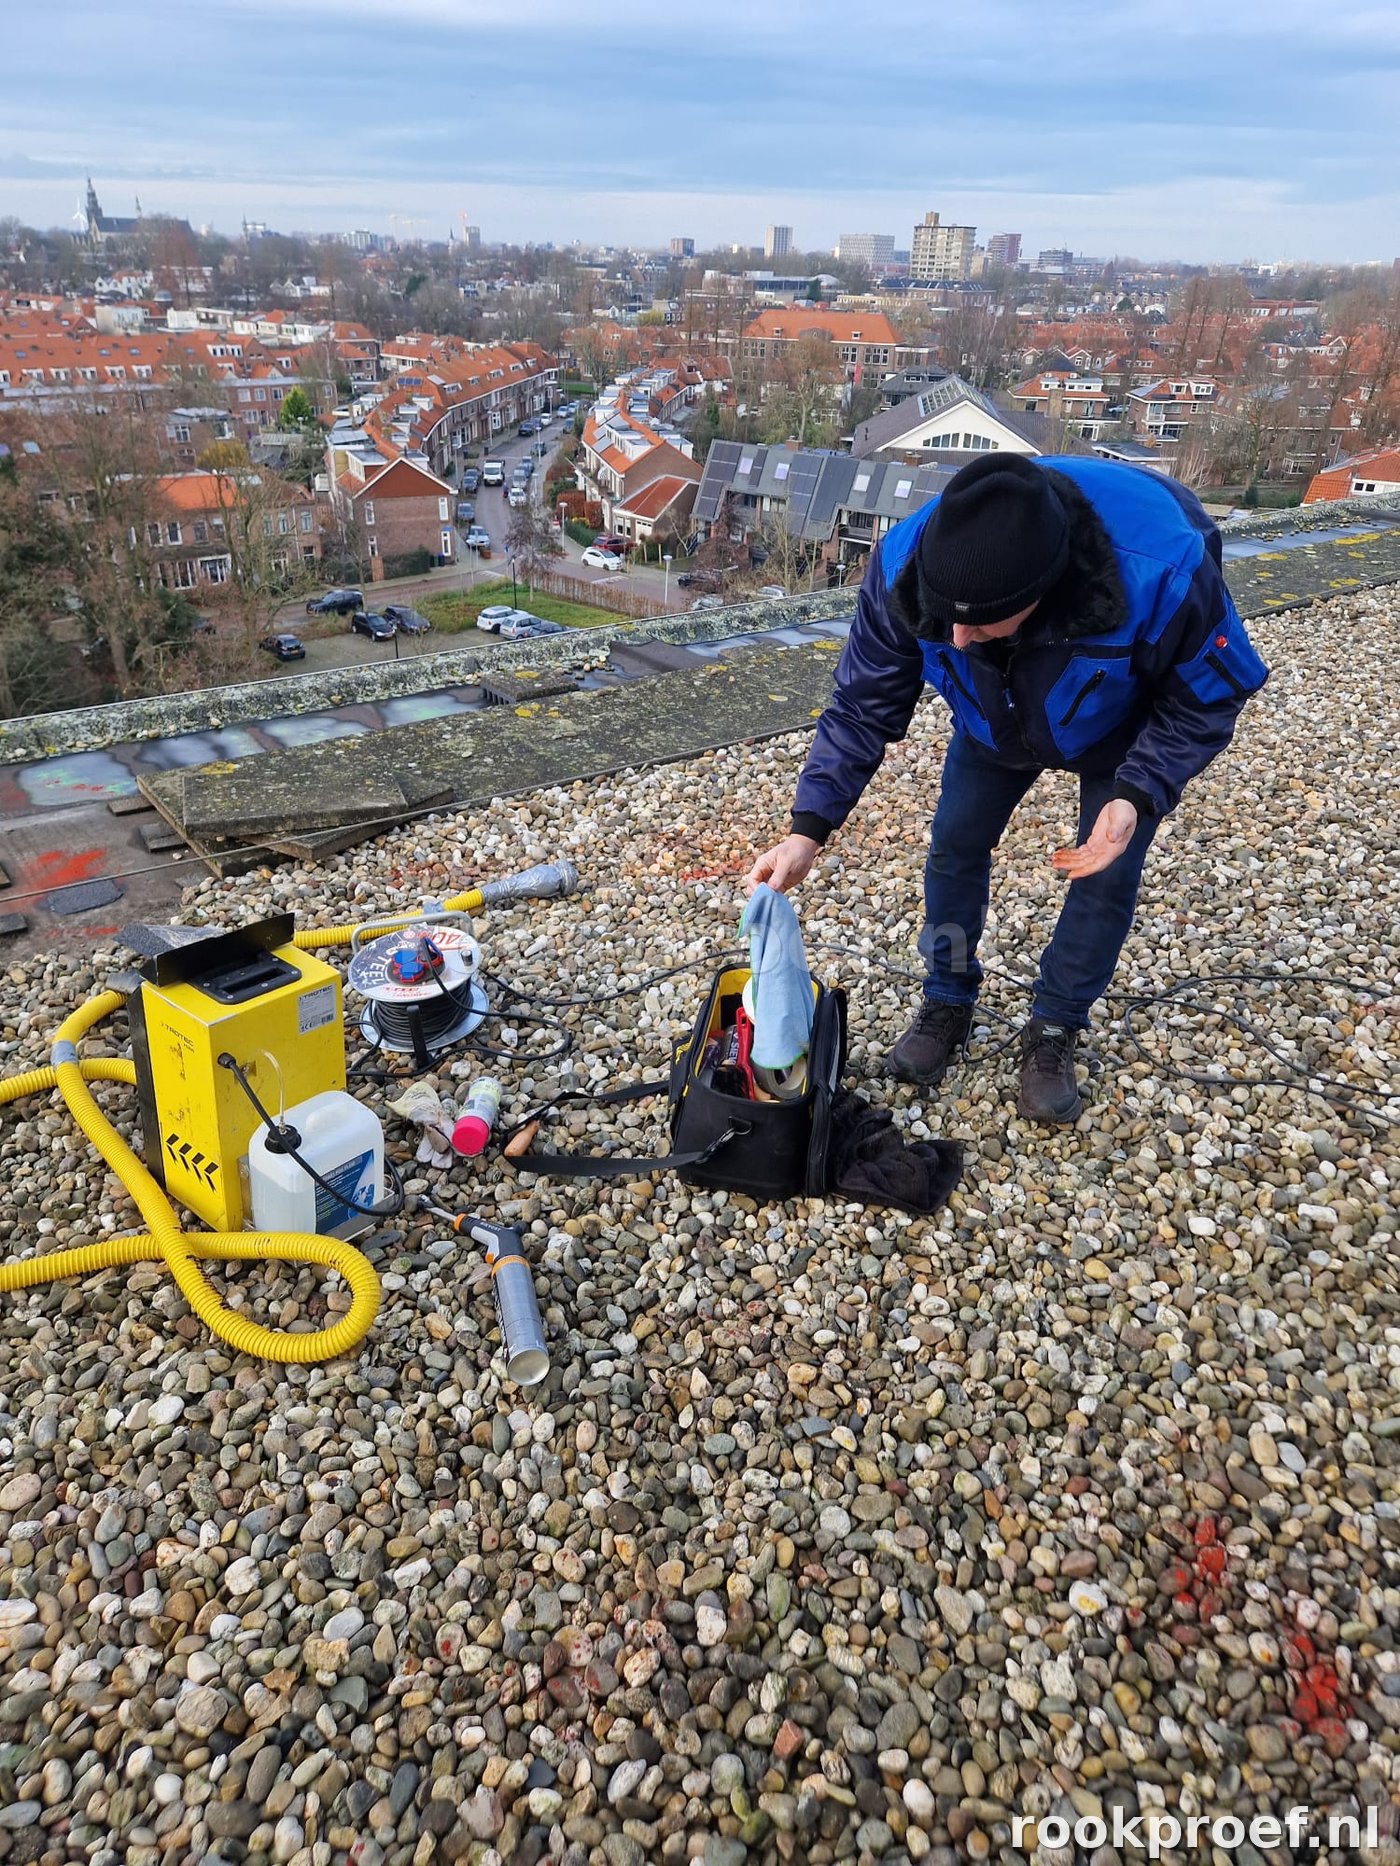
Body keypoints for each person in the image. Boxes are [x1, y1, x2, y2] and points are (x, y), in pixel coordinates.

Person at [744, 453, 1268, 1123]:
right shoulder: (905, 564)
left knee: (1105, 873)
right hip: (992, 722)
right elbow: (860, 705)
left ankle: (1055, 1024)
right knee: (954, 846)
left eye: (981, 620)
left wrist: (1138, 793)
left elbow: (1208, 697)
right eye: (946, 619)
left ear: (1044, 591)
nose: (956, 639)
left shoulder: (1163, 569)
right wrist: (806, 829)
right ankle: (948, 994)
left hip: (1120, 726)